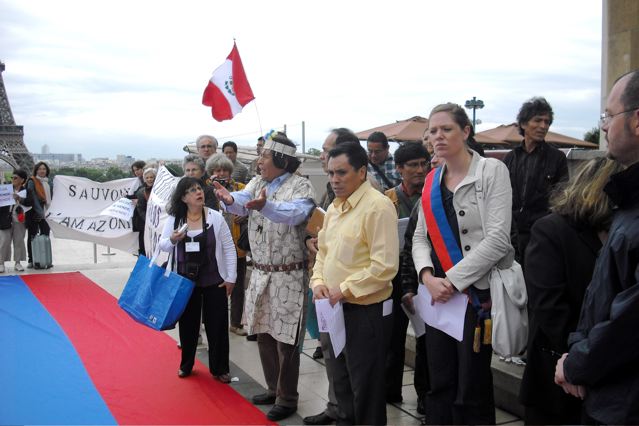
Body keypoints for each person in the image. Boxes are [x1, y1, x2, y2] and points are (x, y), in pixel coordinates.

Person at [412, 103, 513, 425]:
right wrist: (427, 276)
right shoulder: (431, 181)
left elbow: (498, 239)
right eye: (432, 130)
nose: (437, 136)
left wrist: (451, 281)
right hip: (437, 295)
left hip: (473, 295)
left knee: (472, 385)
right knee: (439, 380)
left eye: (447, 129)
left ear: (466, 131)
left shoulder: (491, 171)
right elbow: (419, 239)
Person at [554, 70, 639, 425]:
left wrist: (577, 362)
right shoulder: (629, 199)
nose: (603, 126)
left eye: (608, 115)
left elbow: (631, 320)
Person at [213, 131, 315, 422]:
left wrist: (265, 206)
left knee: (286, 341)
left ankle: (288, 397)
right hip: (260, 272)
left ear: (282, 159)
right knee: (264, 335)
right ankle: (273, 388)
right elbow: (241, 200)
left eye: (265, 156)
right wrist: (229, 197)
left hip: (289, 275)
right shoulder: (258, 182)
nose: (260, 161)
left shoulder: (301, 186)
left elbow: (294, 213)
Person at [520, 157, 622, 425]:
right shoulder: (552, 230)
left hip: (606, 368)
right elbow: (549, 307)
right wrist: (580, 360)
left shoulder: (621, 231)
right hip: (558, 371)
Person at [311, 141, 399, 425]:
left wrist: (344, 289)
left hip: (364, 312)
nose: (335, 180)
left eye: (341, 173)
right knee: (340, 381)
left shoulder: (378, 207)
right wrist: (318, 282)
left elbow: (384, 266)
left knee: (366, 388)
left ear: (361, 172)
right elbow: (323, 252)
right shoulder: (335, 207)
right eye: (330, 173)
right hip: (332, 307)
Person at [303, 127, 360, 426]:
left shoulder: (364, 194)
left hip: (351, 291)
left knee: (348, 357)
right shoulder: (331, 187)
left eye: (327, 150)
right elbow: (324, 228)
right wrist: (313, 241)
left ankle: (347, 411)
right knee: (330, 351)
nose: (322, 156)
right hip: (327, 286)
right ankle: (336, 406)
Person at [158, 177, 236, 383]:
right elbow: (163, 245)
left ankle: (220, 369)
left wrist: (231, 278)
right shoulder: (175, 220)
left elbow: (229, 249)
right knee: (188, 326)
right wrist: (173, 239)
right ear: (183, 198)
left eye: (199, 188)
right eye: (192, 190)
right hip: (185, 282)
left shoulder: (215, 217)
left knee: (217, 325)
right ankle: (186, 364)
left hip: (214, 280)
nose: (198, 192)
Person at [384, 142, 430, 405]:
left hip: (423, 274)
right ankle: (391, 390)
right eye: (413, 165)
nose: (420, 170)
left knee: (426, 336)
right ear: (399, 168)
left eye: (424, 164)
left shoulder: (433, 196)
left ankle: (425, 394)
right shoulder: (386, 199)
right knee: (392, 336)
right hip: (392, 275)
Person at [504, 97, 568, 266]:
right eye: (537, 120)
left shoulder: (557, 158)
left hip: (541, 236)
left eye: (547, 122)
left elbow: (562, 198)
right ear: (523, 124)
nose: (543, 126)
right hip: (511, 235)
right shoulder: (510, 158)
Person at [206, 153, 248, 337]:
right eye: (217, 170)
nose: (222, 173)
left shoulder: (241, 188)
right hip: (214, 247)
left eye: (224, 169)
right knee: (216, 288)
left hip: (237, 245)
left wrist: (245, 214)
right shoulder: (206, 190)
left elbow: (254, 208)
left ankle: (236, 323)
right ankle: (214, 321)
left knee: (238, 287)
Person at [0, 169, 30, 272]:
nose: (13, 179)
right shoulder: (5, 190)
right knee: (4, 242)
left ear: (22, 180)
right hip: (5, 219)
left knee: (18, 242)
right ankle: (1, 263)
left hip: (20, 219)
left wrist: (19, 198)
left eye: (15, 178)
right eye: (12, 177)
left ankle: (18, 262)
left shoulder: (26, 191)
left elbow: (30, 203)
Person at [26, 161, 52, 268]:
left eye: (44, 169)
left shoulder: (48, 183)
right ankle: (32, 260)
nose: (42, 171)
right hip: (34, 213)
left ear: (47, 171)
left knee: (45, 234)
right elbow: (33, 197)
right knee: (32, 235)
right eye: (40, 169)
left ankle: (45, 259)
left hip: (46, 212)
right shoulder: (32, 181)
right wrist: (39, 212)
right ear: (36, 170)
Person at [134, 168, 156, 256]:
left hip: (158, 225)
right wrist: (149, 220)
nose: (149, 179)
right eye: (147, 178)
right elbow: (140, 209)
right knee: (144, 249)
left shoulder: (162, 191)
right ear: (144, 179)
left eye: (152, 177)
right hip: (145, 226)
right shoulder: (141, 192)